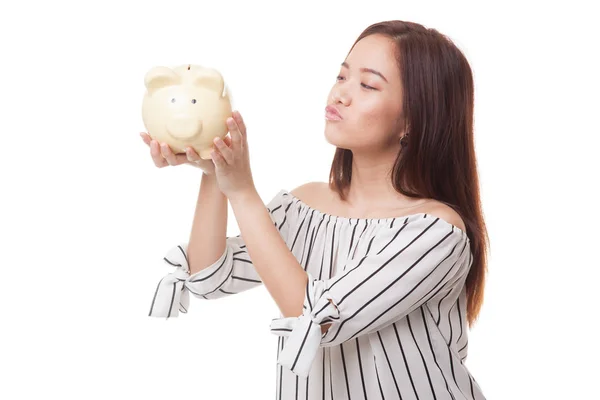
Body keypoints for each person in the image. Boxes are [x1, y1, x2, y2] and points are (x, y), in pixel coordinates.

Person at [143, 19, 488, 400]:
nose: (341, 94)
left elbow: (318, 319)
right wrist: (214, 166)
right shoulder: (305, 206)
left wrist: (242, 191)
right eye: (342, 77)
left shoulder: (434, 232)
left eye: (368, 85)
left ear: (412, 120)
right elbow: (209, 277)